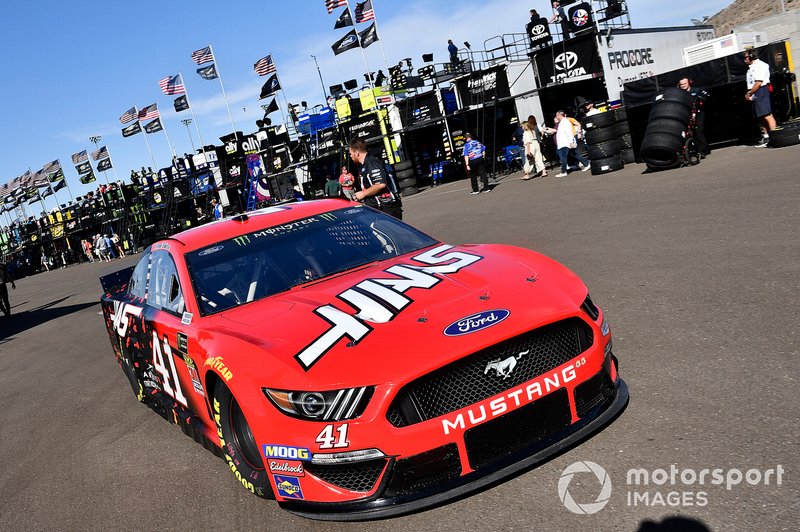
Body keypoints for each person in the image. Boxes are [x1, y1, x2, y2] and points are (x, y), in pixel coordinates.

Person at [348, 138, 403, 220]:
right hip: (378, 209)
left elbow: (381, 184)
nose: (350, 156)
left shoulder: (371, 162)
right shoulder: (364, 165)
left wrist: (363, 194)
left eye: (351, 153)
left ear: (356, 153)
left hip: (386, 209)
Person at [743, 49, 776, 147]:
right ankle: (766, 137)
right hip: (754, 91)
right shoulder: (751, 67)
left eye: (746, 57)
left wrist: (749, 93)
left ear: (752, 56)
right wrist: (750, 93)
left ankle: (775, 137)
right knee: (761, 117)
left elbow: (759, 82)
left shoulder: (761, 65)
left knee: (767, 115)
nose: (744, 60)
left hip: (760, 90)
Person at [678, 77, 710, 157]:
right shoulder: (679, 93)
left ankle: (704, 150)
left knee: (699, 130)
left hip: (698, 113)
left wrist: (701, 98)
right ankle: (693, 150)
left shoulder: (697, 90)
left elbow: (707, 96)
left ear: (689, 83)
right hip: (687, 115)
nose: (683, 86)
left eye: (685, 83)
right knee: (689, 133)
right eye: (681, 84)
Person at [554, 111, 591, 177]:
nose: (556, 117)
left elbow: (569, 132)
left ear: (560, 115)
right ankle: (587, 164)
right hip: (564, 143)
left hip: (565, 143)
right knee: (575, 154)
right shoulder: (562, 122)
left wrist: (571, 142)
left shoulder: (565, 122)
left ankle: (563, 171)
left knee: (563, 158)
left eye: (557, 115)